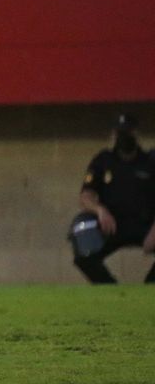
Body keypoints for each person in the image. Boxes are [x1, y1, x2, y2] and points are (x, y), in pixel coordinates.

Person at [69, 114, 155, 284]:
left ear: (136, 134)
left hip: (146, 224)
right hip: (113, 224)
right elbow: (86, 196)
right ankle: (109, 289)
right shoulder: (103, 161)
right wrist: (100, 210)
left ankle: (150, 287)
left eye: (127, 132)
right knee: (83, 246)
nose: (124, 137)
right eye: (120, 133)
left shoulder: (151, 160)